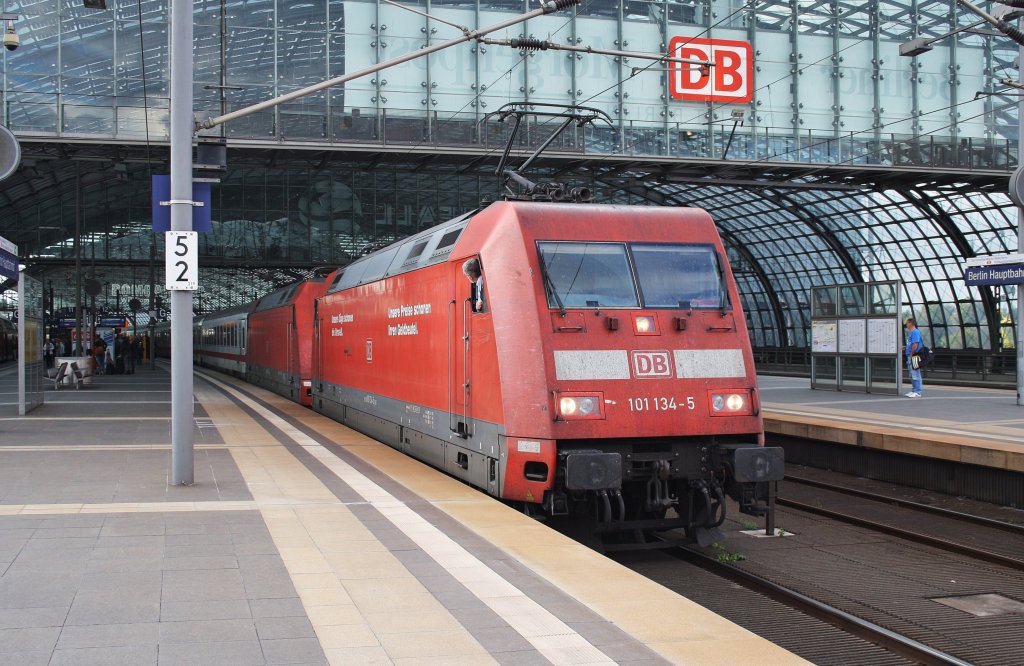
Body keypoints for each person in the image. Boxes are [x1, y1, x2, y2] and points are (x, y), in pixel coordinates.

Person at [903, 318, 924, 398]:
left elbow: (915, 344)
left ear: (911, 323)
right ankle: (914, 390)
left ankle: (917, 391)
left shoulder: (915, 332)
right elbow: (912, 344)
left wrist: (911, 353)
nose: (906, 324)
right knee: (912, 374)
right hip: (911, 355)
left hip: (914, 356)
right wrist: (905, 347)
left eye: (907, 323)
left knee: (915, 374)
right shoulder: (912, 332)